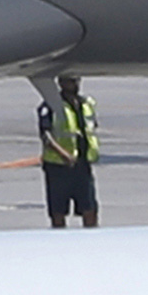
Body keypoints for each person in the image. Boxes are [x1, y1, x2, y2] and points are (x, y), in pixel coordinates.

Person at [38, 75, 102, 228]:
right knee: (58, 211)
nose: (75, 84)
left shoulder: (86, 104)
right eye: (70, 81)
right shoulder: (51, 105)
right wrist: (63, 154)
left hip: (82, 164)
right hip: (58, 167)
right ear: (61, 83)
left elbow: (91, 128)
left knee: (90, 208)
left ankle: (92, 241)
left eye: (77, 80)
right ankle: (60, 244)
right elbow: (45, 136)